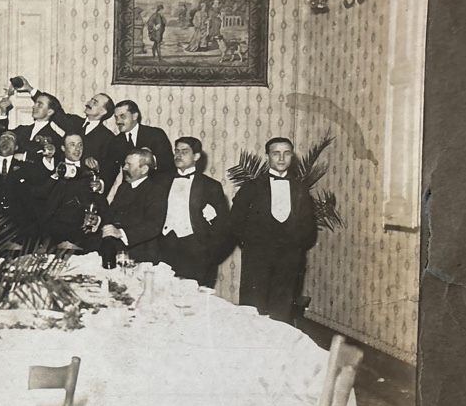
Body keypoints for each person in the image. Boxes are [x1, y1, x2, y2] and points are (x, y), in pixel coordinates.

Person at [230, 136, 319, 323]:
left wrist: (295, 247)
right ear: (267, 157)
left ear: (292, 157)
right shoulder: (252, 187)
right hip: (257, 259)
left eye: (286, 153)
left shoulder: (300, 189)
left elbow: (308, 226)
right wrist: (251, 245)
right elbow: (235, 221)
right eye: (276, 153)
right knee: (253, 310)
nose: (281, 158)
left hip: (288, 260)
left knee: (281, 310)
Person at [158, 137, 234, 286]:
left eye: (185, 152)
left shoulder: (211, 186)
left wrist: (209, 254)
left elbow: (223, 226)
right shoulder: (161, 181)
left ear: (197, 156)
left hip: (195, 252)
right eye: (177, 151)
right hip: (165, 248)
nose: (178, 155)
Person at [99, 147, 169, 265]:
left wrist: (121, 233)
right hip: (117, 252)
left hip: (142, 255)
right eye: (124, 164)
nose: (124, 168)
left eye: (129, 165)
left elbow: (153, 226)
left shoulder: (156, 190)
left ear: (144, 169)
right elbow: (111, 214)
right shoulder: (123, 187)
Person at [40, 133, 106, 250]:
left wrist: (97, 220)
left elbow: (100, 203)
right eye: (72, 145)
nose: (77, 149)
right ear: (63, 148)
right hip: (53, 233)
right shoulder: (52, 167)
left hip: (82, 234)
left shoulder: (90, 171)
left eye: (80, 145)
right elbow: (40, 195)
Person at [107, 99, 174, 182]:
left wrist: (151, 159)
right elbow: (111, 169)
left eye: (122, 116)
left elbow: (168, 163)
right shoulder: (115, 141)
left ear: (135, 116)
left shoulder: (155, 134)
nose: (118, 121)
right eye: (116, 117)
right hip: (130, 189)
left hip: (155, 186)